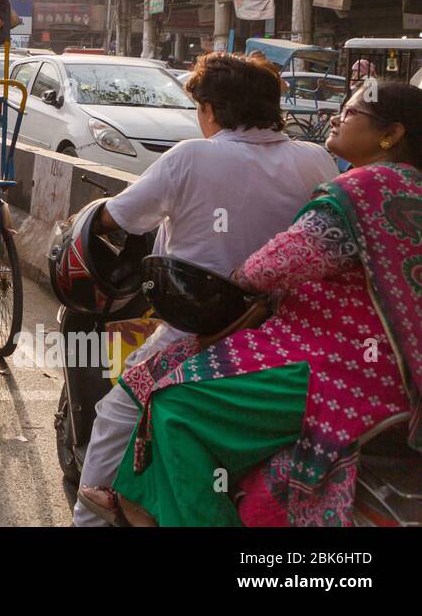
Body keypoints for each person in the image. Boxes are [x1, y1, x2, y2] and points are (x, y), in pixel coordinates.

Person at [92, 83, 422, 526]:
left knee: (174, 405)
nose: (340, 116)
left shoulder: (364, 188)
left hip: (334, 363)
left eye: (353, 110)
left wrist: (239, 278)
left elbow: (279, 263)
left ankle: (166, 511)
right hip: (388, 366)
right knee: (161, 372)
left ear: (391, 133)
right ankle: (146, 500)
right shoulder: (351, 171)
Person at [71, 51, 339, 527]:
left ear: (212, 109)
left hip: (200, 330)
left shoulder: (192, 156)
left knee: (117, 413)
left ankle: (90, 518)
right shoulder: (315, 159)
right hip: (283, 339)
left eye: (200, 108)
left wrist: (90, 216)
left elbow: (118, 217)